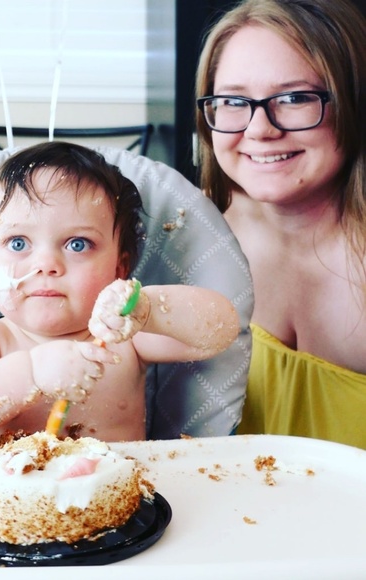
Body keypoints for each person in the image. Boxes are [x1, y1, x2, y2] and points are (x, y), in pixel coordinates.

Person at [0, 141, 240, 447]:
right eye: (18, 243)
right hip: (11, 486)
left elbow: (221, 331)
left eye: (77, 244)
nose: (46, 265)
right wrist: (30, 373)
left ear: (119, 267)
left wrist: (149, 309)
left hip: (119, 486)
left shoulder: (123, 337)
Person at [195, 0, 366, 448]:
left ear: (354, 102)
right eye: (234, 101)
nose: (259, 130)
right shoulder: (188, 239)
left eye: (294, 98)